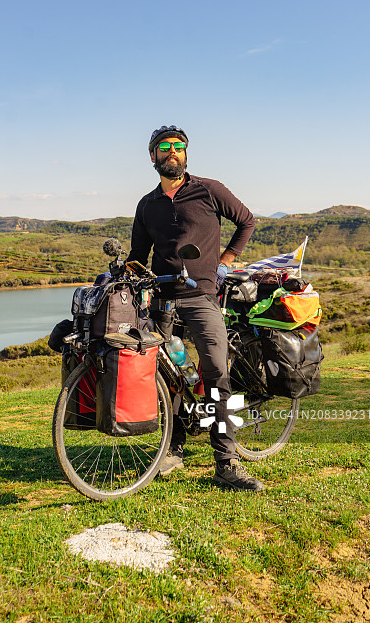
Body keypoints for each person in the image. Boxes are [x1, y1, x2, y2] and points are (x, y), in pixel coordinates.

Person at [127, 125, 264, 492]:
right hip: (162, 298)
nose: (172, 152)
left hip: (202, 295)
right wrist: (122, 275)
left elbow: (246, 220)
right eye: (164, 147)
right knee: (164, 375)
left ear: (185, 154)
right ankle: (173, 447)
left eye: (179, 147)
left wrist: (229, 257)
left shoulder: (209, 189)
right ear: (153, 156)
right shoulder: (147, 205)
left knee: (217, 373)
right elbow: (138, 257)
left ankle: (226, 462)